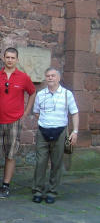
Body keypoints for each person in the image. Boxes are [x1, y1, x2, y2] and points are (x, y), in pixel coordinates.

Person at [0, 48, 36, 198]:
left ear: (17, 59)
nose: (9, 60)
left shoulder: (23, 77)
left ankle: (6, 185)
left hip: (14, 121)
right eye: (7, 57)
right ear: (3, 58)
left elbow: (32, 92)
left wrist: (26, 112)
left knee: (10, 155)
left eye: (12, 57)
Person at [32, 68, 79, 204]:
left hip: (60, 132)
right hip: (43, 131)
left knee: (56, 163)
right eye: (48, 76)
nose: (50, 78)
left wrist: (75, 132)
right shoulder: (40, 94)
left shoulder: (66, 94)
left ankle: (52, 191)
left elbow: (74, 113)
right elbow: (36, 112)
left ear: (58, 78)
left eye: (53, 76)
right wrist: (47, 120)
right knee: (40, 162)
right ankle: (38, 190)